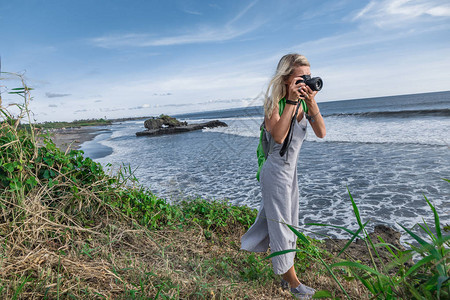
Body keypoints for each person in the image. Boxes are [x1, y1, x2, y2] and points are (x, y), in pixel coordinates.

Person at [240, 53, 326, 299]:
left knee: (287, 225)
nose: (306, 82)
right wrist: (290, 102)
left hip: (291, 174)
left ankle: (271, 261)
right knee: (283, 230)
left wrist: (311, 103)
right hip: (275, 173)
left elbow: (321, 132)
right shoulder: (274, 103)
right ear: (287, 78)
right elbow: (278, 136)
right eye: (301, 77)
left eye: (308, 76)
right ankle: (294, 283)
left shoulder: (303, 103)